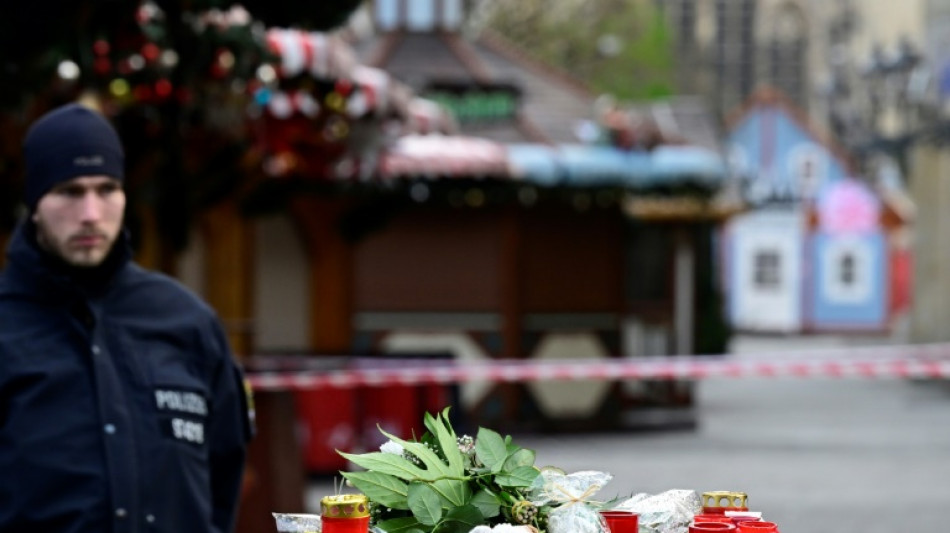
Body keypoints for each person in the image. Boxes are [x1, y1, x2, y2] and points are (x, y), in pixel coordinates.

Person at [0, 102, 254, 532]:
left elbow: (224, 474)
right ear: (35, 202)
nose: (91, 214)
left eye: (107, 188)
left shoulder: (188, 322)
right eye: (69, 191)